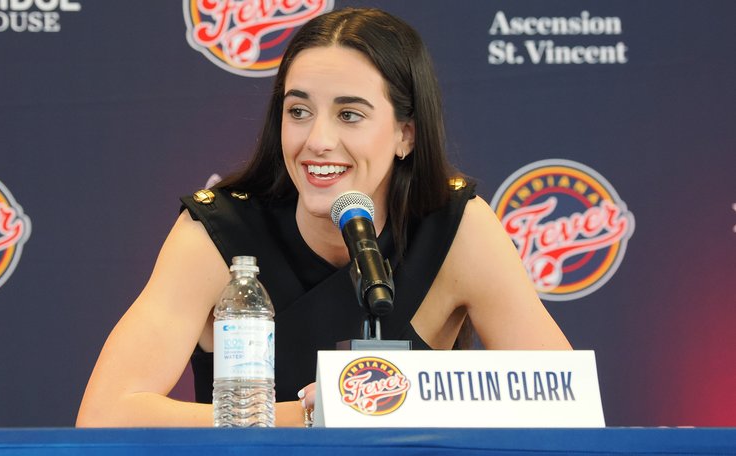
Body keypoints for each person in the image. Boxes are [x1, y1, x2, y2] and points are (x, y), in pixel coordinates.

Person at [76, 7, 571, 428]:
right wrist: (316, 414)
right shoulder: (218, 233)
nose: (317, 141)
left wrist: (399, 405)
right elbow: (105, 413)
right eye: (299, 112)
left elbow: (564, 402)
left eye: (349, 115)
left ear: (406, 135)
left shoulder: (456, 227)